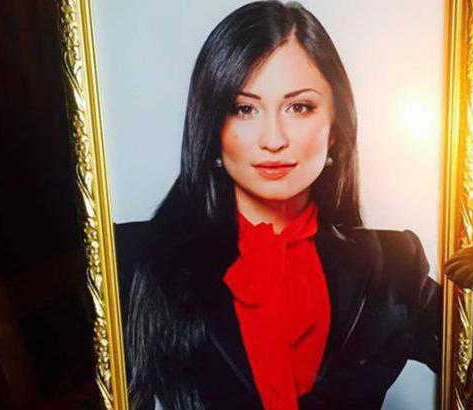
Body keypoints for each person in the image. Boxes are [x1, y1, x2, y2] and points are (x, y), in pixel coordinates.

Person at [116, 1, 441, 409]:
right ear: (211, 127)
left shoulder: (393, 265)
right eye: (244, 109)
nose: (273, 139)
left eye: (299, 107)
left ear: (335, 128)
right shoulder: (131, 258)